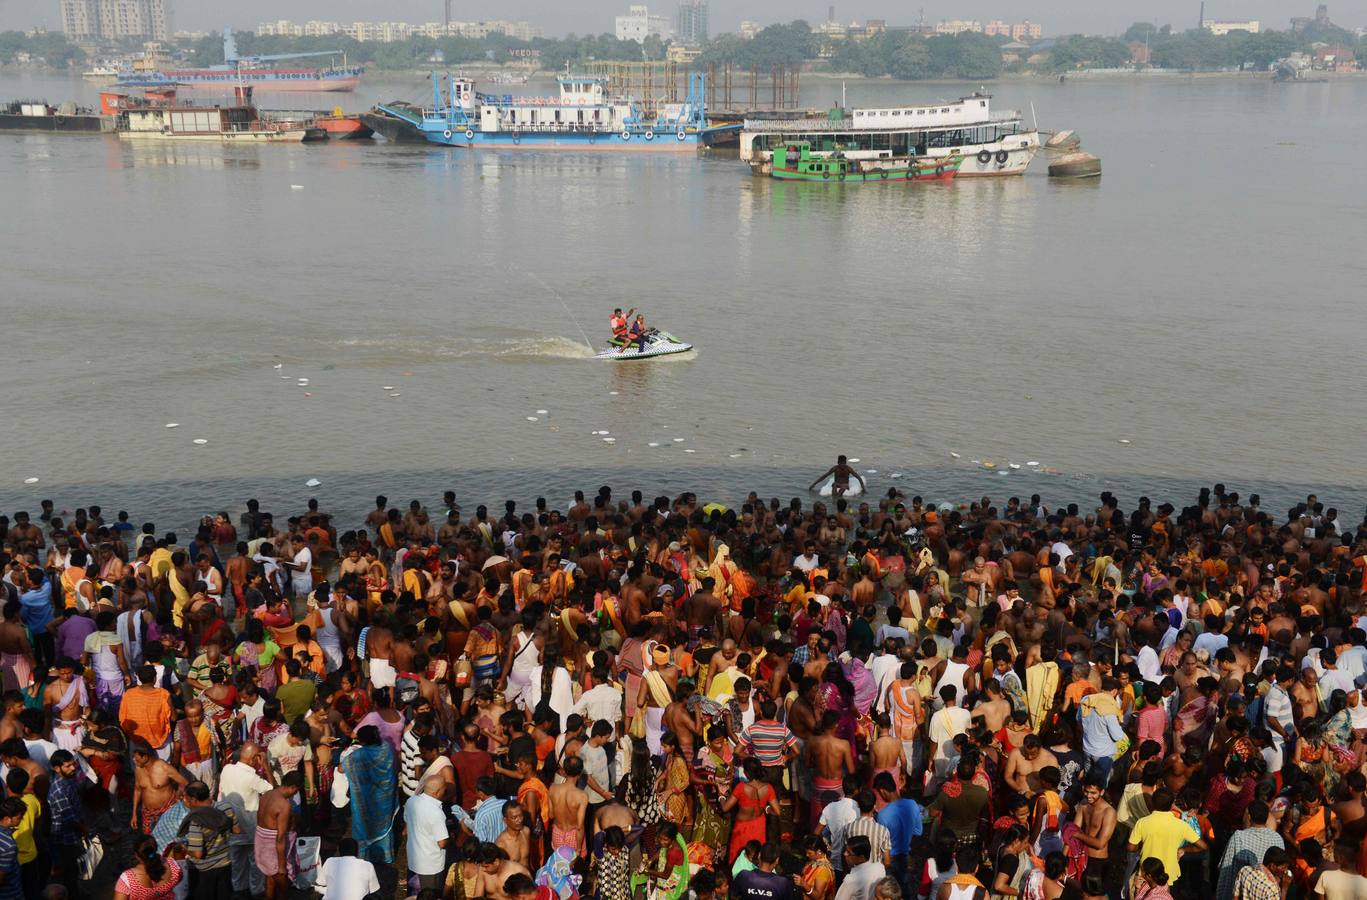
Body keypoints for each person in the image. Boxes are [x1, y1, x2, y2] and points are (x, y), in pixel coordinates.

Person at [340, 724, 399, 864]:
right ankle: (386, 857)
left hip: (364, 803)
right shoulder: (386, 748)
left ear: (363, 741)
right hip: (385, 799)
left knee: (363, 829)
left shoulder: (358, 756)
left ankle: (364, 859)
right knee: (385, 826)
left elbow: (342, 768)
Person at [405, 775, 451, 893]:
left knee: (414, 892)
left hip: (414, 859)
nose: (446, 791)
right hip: (431, 865)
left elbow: (407, 823)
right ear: (437, 792)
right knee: (430, 894)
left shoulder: (411, 801)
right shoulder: (436, 812)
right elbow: (442, 843)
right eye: (444, 789)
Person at [113, 834, 182, 900]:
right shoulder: (172, 864)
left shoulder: (127, 880)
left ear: (136, 855)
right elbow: (180, 878)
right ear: (156, 849)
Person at [315, 837, 382, 900]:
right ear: (356, 852)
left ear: (339, 851)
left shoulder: (330, 861)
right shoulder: (368, 865)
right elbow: (374, 889)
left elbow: (320, 882)